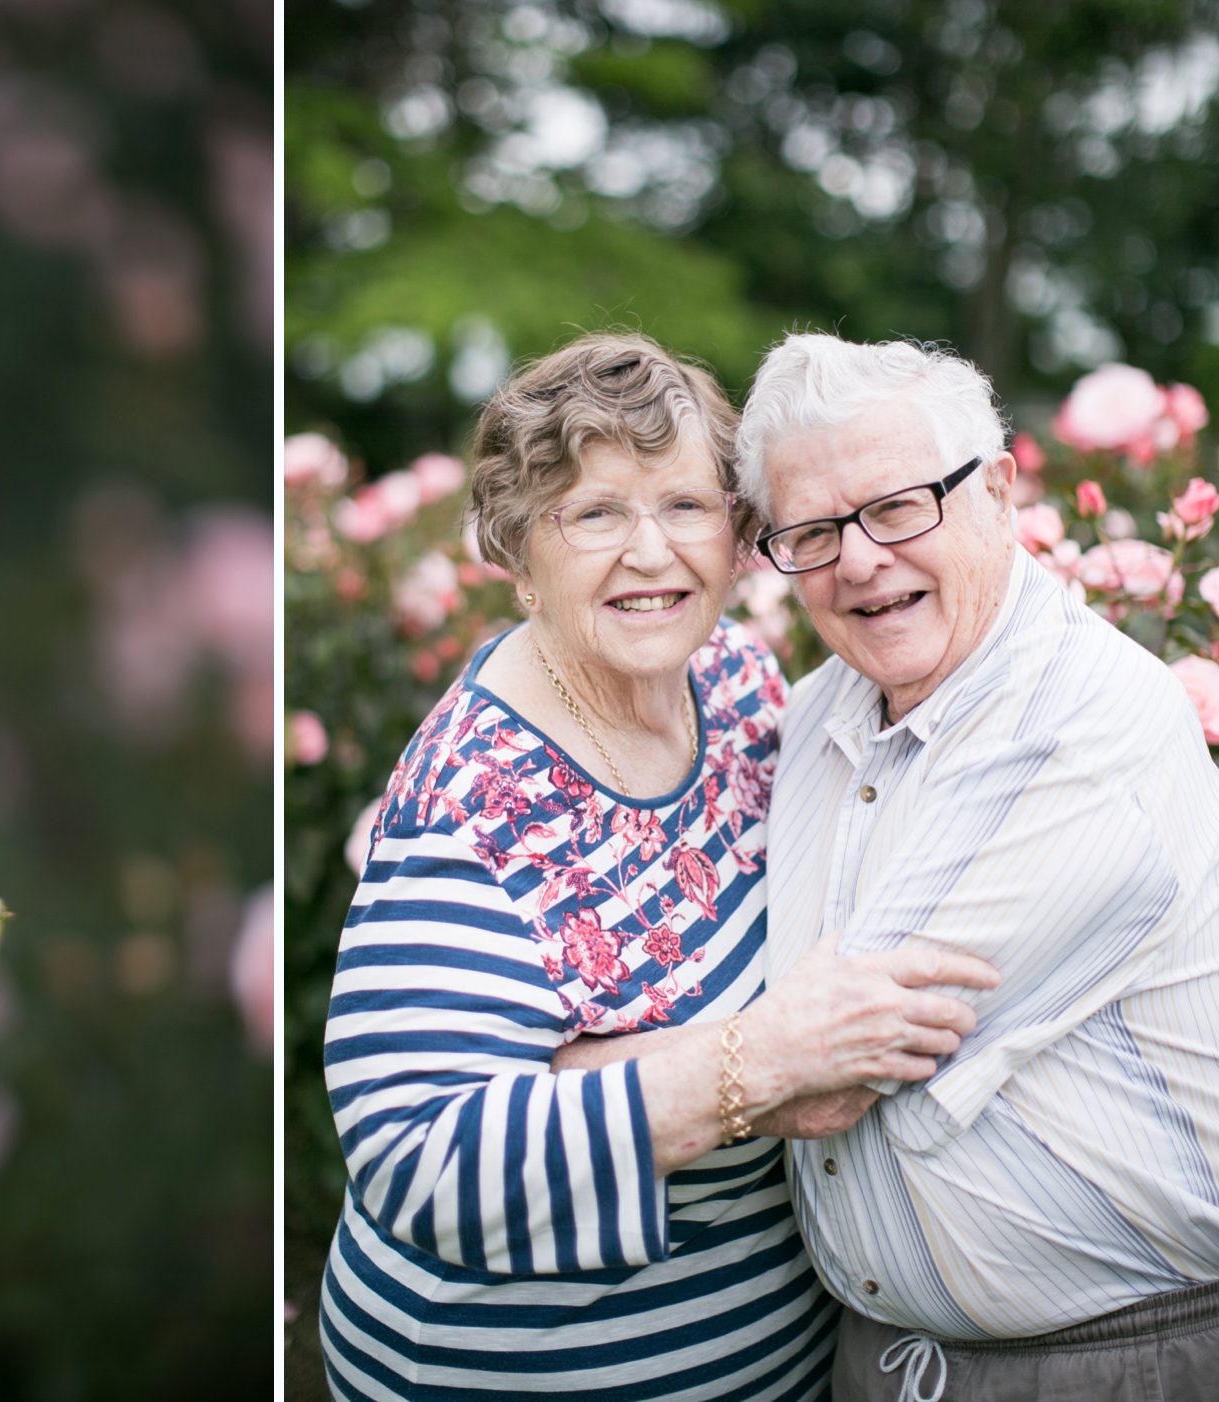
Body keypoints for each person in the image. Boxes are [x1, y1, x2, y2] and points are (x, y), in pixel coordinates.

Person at [317, 332, 996, 1400]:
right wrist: (749, 1067)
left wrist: (613, 1065)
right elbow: (417, 1153)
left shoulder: (728, 681)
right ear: (515, 552)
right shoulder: (471, 801)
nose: (649, 553)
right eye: (593, 513)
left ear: (736, 534)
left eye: (684, 506)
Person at [737, 332, 1219, 1402]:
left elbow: (826, 1068)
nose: (858, 559)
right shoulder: (815, 711)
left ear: (997, 490)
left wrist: (558, 1086)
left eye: (898, 505)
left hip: (1113, 1362)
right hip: (876, 1358)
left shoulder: (1080, 725)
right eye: (811, 531)